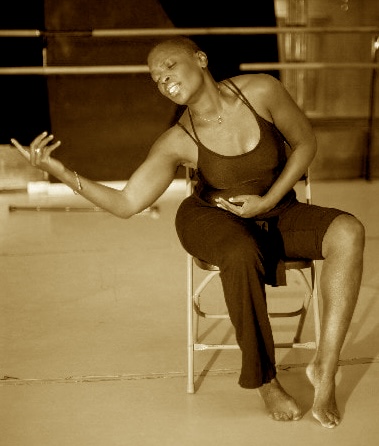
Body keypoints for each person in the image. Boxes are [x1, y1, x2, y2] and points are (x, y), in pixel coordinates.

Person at [11, 36, 365, 429]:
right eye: (156, 78)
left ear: (200, 58)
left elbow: (305, 144)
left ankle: (325, 368)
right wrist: (59, 172)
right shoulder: (178, 140)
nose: (163, 80)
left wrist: (268, 202)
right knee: (240, 251)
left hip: (277, 208)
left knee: (348, 231)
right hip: (211, 219)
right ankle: (265, 379)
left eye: (169, 66)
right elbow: (126, 203)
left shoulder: (262, 90)